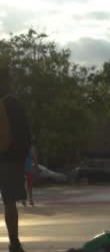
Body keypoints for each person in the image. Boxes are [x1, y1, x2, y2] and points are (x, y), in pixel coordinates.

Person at [0, 66, 31, 252]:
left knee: (10, 202)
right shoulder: (14, 103)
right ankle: (14, 242)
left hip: (7, 158)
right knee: (10, 202)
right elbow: (26, 134)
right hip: (10, 160)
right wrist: (21, 157)